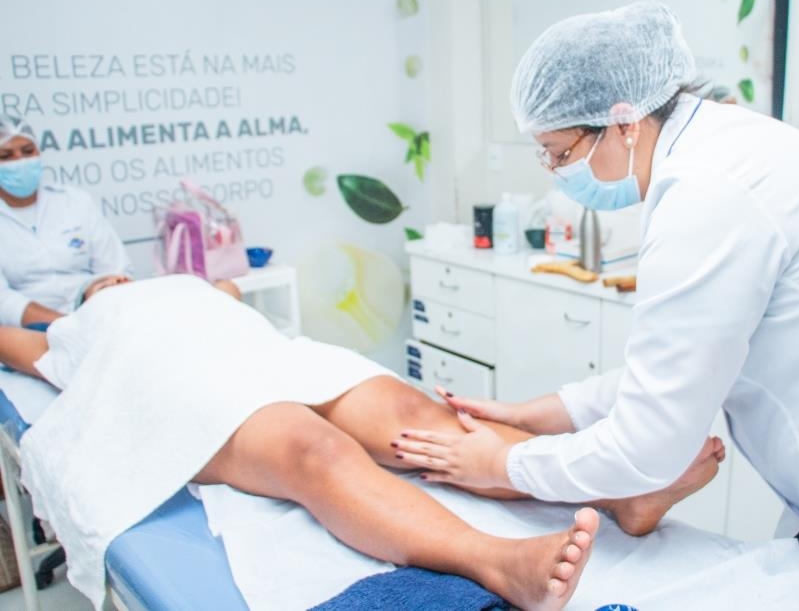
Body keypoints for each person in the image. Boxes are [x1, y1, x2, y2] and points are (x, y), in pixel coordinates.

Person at [391, 2, 799, 609]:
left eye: (561, 154)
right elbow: (687, 360)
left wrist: (502, 462)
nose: (557, 172)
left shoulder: (708, 194)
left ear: (623, 120)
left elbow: (650, 444)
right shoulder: (728, 144)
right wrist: (538, 414)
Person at [0, 274, 724, 610]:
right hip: (187, 390)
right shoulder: (73, 332)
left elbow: (230, 296)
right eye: (101, 283)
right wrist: (63, 312)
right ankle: (499, 563)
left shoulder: (190, 286)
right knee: (312, 451)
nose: (115, 280)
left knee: (420, 419)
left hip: (272, 356)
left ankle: (621, 494)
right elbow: (10, 341)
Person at [0, 115, 132, 328]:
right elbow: (4, 301)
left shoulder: (74, 200)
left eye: (27, 151)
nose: (20, 161)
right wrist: (67, 326)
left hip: (96, 312)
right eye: (6, 156)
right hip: (31, 330)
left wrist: (98, 292)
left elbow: (114, 268)